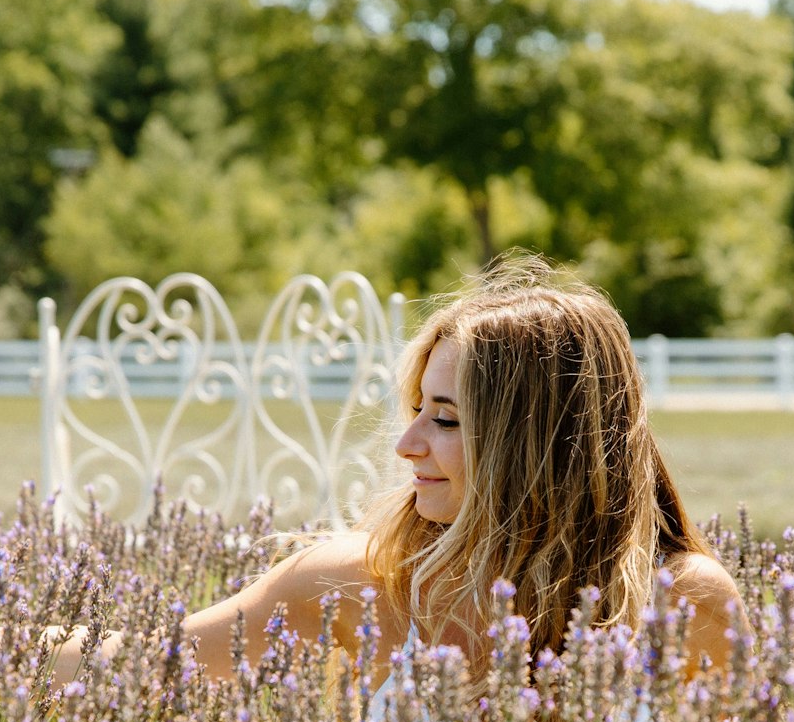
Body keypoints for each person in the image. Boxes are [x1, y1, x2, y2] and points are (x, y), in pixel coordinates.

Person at [47, 256, 745, 686]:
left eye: (444, 418)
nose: (407, 444)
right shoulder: (365, 583)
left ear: (536, 445)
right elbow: (137, 662)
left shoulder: (683, 603)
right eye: (415, 409)